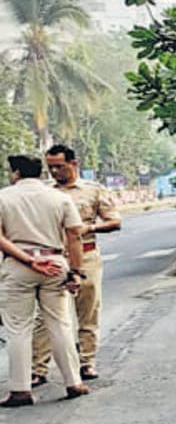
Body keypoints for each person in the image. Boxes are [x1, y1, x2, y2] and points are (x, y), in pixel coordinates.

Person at [0, 154, 90, 406]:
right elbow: (74, 236)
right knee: (60, 323)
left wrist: (28, 260)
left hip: (18, 265)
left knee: (18, 328)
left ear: (16, 173)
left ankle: (21, 389)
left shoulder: (3, 197)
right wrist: (75, 271)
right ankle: (74, 381)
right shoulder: (60, 198)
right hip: (54, 263)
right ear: (40, 172)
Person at [29, 145, 120, 385]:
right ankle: (38, 368)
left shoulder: (93, 191)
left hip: (87, 255)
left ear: (74, 163)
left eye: (60, 166)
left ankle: (87, 362)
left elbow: (114, 221)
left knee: (87, 311)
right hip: (56, 258)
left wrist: (88, 228)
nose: (55, 172)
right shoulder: (46, 194)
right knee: (45, 316)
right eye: (51, 167)